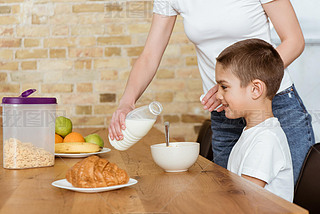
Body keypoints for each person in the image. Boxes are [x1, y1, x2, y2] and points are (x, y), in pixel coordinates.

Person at [108, 0, 315, 185]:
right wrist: (127, 102)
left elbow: (294, 41)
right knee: (229, 197)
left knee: (289, 201)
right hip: (224, 112)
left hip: (273, 105)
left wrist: (236, 83)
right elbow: (150, 55)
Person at [215, 38, 293, 202]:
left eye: (224, 87)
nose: (218, 95)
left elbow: (243, 200)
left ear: (255, 89)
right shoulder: (252, 133)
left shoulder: (266, 141)